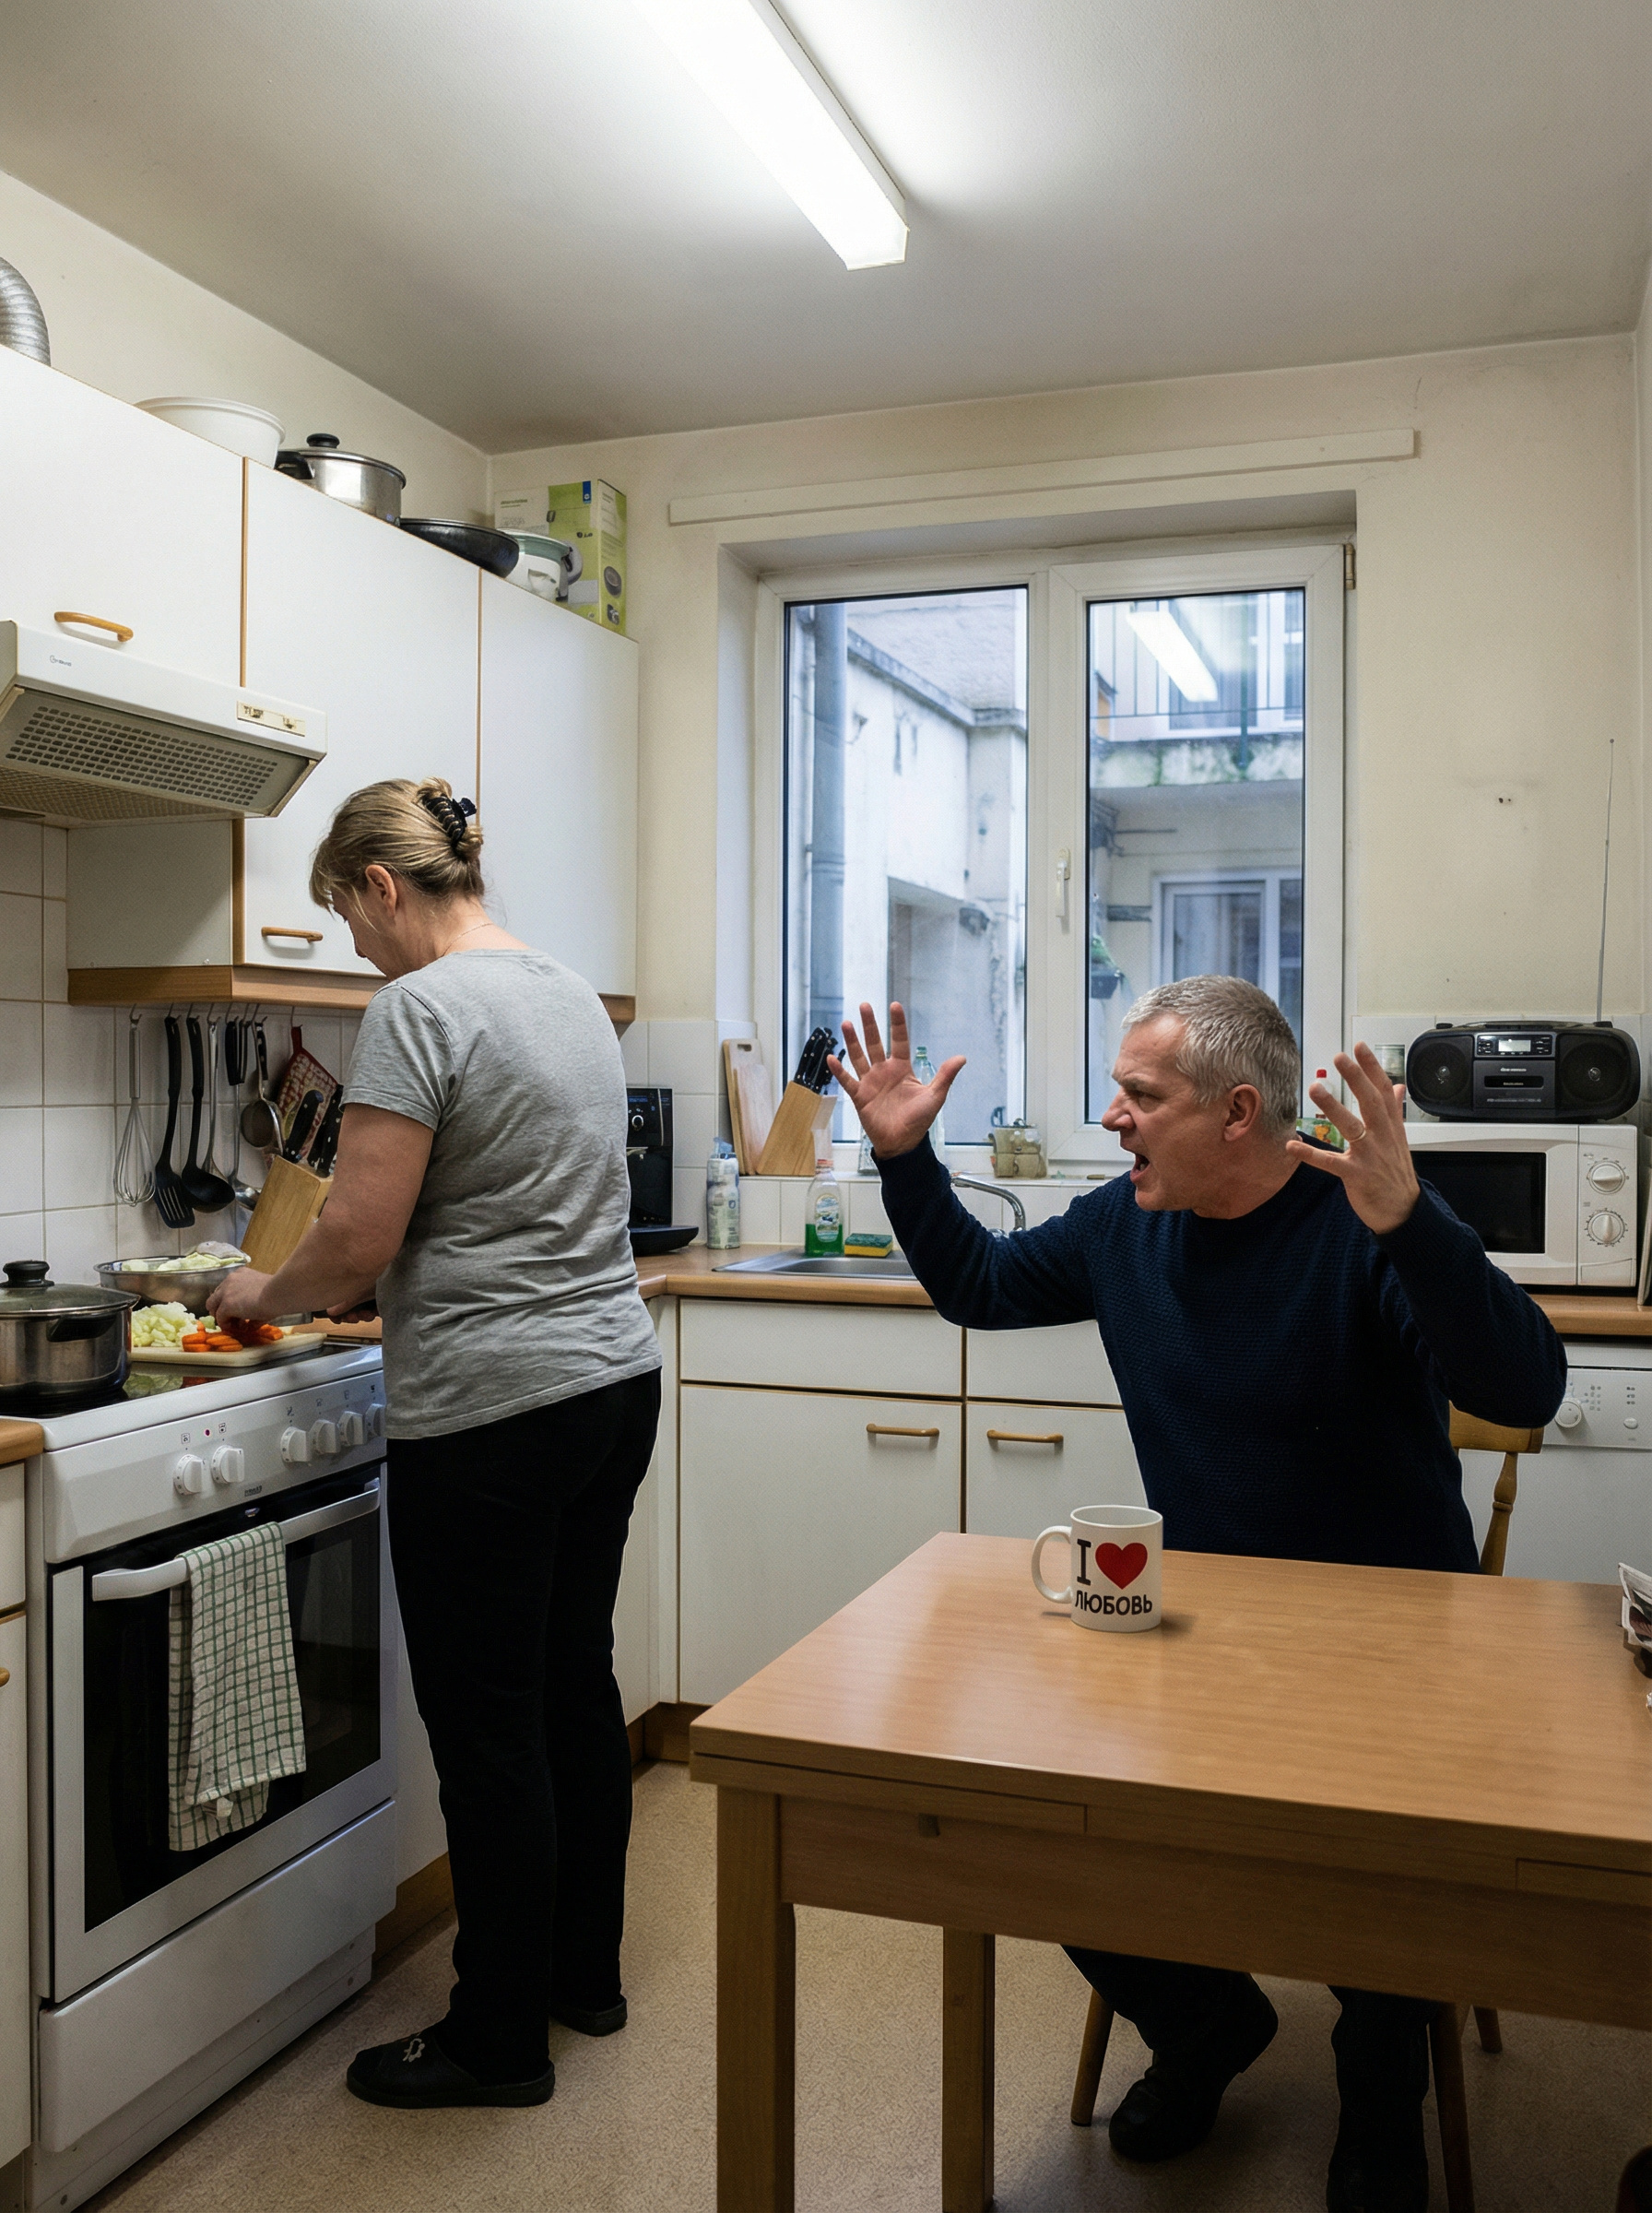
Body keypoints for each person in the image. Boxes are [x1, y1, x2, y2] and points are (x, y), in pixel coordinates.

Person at [829, 976, 1566, 2213]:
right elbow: (983, 1287)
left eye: (1138, 1094)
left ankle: (1381, 2081)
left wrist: (1413, 1225)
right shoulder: (1126, 1224)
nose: (1111, 1117)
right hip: (1202, 1637)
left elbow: (1527, 1386)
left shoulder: (1362, 1223)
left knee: (1382, 1861)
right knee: (1035, 1810)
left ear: (1236, 1113)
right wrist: (908, 1159)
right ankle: (1206, 2024)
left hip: (1396, 1650)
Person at [208, 775, 661, 2111]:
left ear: (383, 886)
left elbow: (357, 1235)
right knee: (573, 1687)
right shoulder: (565, 990)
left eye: (349, 917)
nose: (357, 947)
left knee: (490, 1726)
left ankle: (495, 2040)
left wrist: (258, 1290)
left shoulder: (418, 1007)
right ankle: (582, 1976)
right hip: (609, 1384)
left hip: (494, 1410)